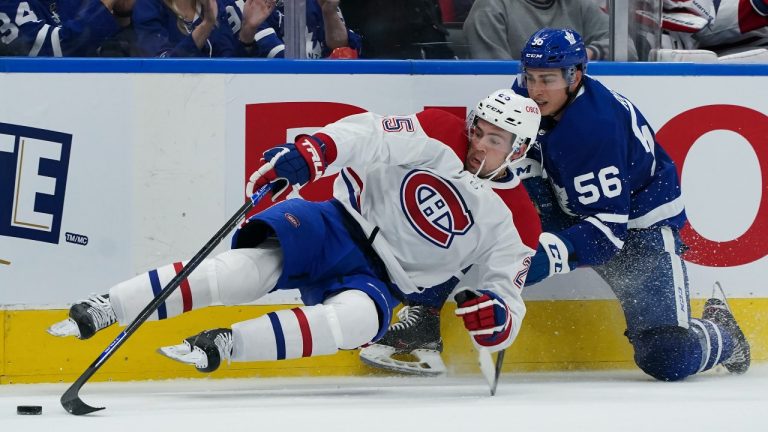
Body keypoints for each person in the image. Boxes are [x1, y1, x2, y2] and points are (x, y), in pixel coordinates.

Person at [47, 90, 542, 375]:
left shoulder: (518, 220)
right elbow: (369, 133)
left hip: (382, 280)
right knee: (248, 268)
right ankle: (109, 305)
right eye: (478, 129)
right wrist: (317, 150)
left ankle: (222, 344)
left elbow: (506, 294)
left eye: (494, 139)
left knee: (355, 323)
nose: (477, 143)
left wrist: (497, 320)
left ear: (518, 151)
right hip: (336, 222)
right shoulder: (437, 129)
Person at [360, 28, 751, 382]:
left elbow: (606, 235)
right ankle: (423, 317)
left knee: (668, 358)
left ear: (575, 76)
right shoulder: (518, 99)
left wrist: (540, 258)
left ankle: (722, 332)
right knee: (472, 200)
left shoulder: (595, 128)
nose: (535, 90)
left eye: (547, 79)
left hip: (635, 229)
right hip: (565, 204)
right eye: (530, 77)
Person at [462, 0, 637, 61]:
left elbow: (626, 47)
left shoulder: (579, 5)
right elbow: (494, 78)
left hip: (573, 105)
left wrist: (587, 53)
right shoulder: (490, 8)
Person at [132, 0, 277, 57]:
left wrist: (247, 32)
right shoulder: (148, 6)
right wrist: (206, 25)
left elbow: (229, 69)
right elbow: (162, 67)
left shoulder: (213, 5)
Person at [0, 0, 132, 56]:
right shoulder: (5, 5)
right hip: (34, 104)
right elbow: (50, 52)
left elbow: (105, 47)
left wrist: (121, 14)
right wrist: (105, 5)